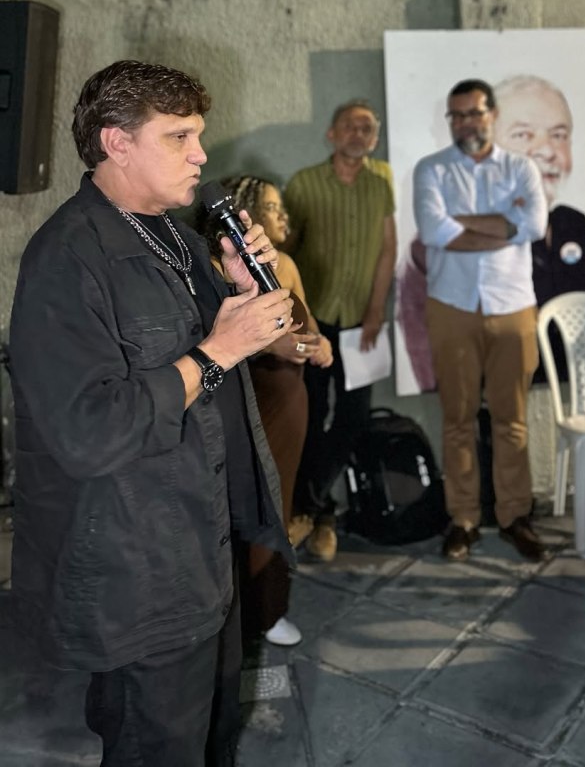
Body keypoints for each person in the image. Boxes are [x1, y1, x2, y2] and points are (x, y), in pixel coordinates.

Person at [9, 60, 295, 767]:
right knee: (157, 747)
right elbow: (88, 431)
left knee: (212, 736)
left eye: (199, 135)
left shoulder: (178, 238)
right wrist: (217, 351)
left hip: (201, 545)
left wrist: (239, 290)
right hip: (137, 569)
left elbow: (224, 354)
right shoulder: (66, 260)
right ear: (117, 142)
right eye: (179, 137)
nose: (201, 154)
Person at [413, 78, 548, 562]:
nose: (465, 123)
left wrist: (463, 223)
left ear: (493, 115)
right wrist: (504, 223)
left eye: (474, 113)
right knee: (458, 420)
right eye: (457, 115)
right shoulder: (431, 169)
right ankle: (464, 518)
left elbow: (534, 225)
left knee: (512, 420)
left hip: (513, 307)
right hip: (451, 307)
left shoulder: (521, 168)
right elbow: (435, 231)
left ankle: (514, 516)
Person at [202, 175, 332, 649]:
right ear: (245, 213)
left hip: (290, 396)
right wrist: (280, 345)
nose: (283, 217)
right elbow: (227, 342)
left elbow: (307, 329)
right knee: (244, 502)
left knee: (279, 502)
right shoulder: (214, 268)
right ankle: (237, 615)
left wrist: (317, 345)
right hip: (249, 396)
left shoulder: (286, 265)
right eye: (273, 208)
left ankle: (269, 609)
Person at [284, 100, 396, 562]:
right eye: (350, 126)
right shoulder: (304, 183)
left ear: (375, 138)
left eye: (367, 128)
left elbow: (388, 250)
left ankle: (308, 508)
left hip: (361, 323)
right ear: (331, 134)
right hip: (314, 321)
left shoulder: (382, 182)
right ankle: (320, 514)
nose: (358, 133)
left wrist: (376, 310)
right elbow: (285, 252)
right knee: (310, 418)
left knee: (353, 419)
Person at [495, 74, 585, 380]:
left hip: (584, 391)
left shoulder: (572, 224)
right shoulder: (474, 237)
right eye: (524, 135)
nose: (548, 150)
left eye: (559, 135)